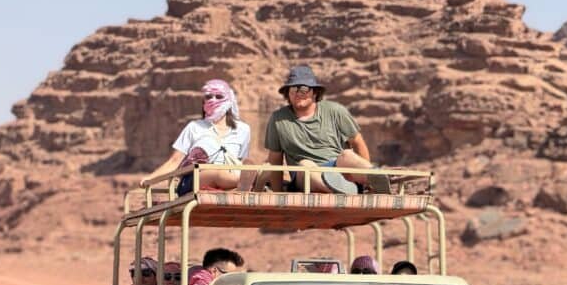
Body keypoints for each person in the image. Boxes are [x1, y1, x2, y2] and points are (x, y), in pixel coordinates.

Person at [259, 65, 388, 194]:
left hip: (339, 171)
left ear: (314, 92)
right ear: (288, 93)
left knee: (347, 155)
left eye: (304, 89)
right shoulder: (278, 119)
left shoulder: (335, 111)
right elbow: (275, 160)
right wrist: (278, 193)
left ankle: (373, 177)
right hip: (305, 177)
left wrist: (365, 184)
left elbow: (358, 142)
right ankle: (338, 190)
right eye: (294, 89)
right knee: (306, 165)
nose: (299, 93)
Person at [143, 79, 252, 195]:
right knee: (218, 173)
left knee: (242, 169)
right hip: (194, 180)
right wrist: (150, 178)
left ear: (230, 100)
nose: (213, 100)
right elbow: (174, 161)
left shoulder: (243, 130)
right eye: (208, 97)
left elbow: (238, 161)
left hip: (229, 175)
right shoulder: (194, 127)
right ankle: (248, 183)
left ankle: (251, 180)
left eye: (219, 96)